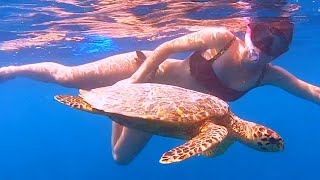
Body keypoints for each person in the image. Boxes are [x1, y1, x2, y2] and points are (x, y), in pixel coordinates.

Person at [1, 18, 319, 165]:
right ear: (249, 30)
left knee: (120, 158)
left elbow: (311, 91)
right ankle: (12, 70)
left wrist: (129, 103)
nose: (263, 53)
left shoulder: (267, 75)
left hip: (159, 108)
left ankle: (114, 102)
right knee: (68, 76)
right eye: (262, 42)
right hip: (143, 70)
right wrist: (137, 81)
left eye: (274, 51)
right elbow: (166, 47)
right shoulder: (221, 38)